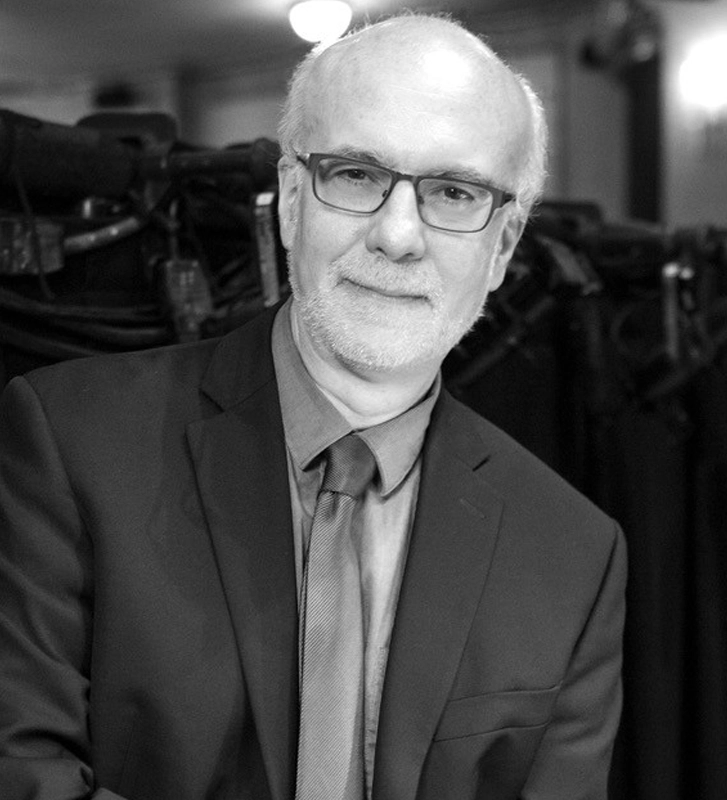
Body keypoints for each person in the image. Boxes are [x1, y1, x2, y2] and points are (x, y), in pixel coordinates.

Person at [0, 13, 626, 800]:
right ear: (292, 202)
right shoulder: (70, 440)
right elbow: (25, 776)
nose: (399, 236)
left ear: (501, 249)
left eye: (454, 191)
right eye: (357, 175)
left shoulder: (572, 551)